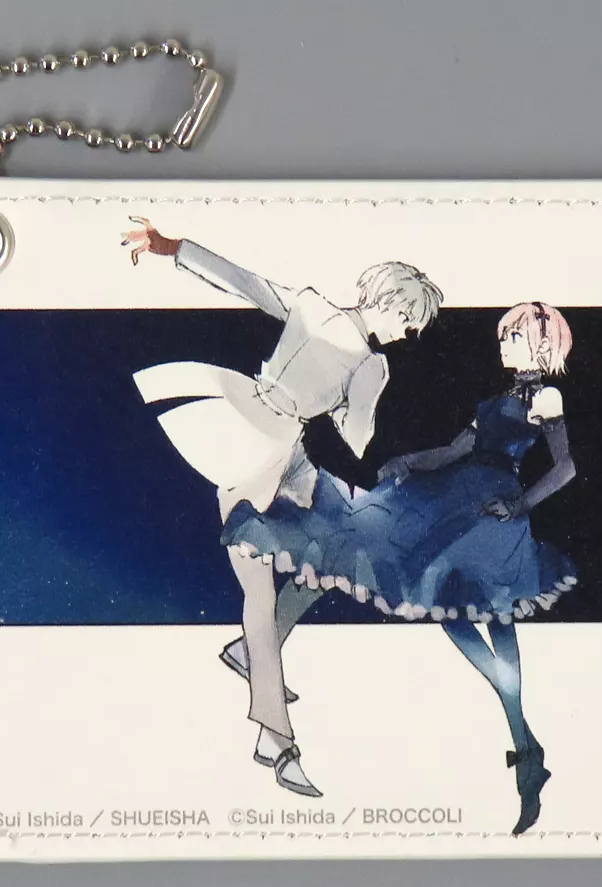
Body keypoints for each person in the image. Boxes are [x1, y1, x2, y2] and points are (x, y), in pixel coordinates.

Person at [220, 302, 578, 834]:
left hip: (493, 514)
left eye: (514, 336)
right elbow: (453, 451)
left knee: (491, 615)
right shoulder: (497, 399)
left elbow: (566, 466)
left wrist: (521, 504)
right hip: (457, 503)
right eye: (505, 335)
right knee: (448, 606)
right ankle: (525, 741)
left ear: (543, 345)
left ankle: (524, 744)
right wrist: (410, 461)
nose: (503, 343)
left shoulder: (545, 396)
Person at [122, 216, 444, 797]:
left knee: (341, 546)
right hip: (261, 450)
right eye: (408, 322)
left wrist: (171, 247)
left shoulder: (311, 305)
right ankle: (275, 736)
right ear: (393, 304)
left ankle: (250, 649)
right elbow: (358, 439)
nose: (406, 334)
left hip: (260, 428)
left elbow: (241, 280)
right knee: (261, 588)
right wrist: (353, 403)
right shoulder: (372, 363)